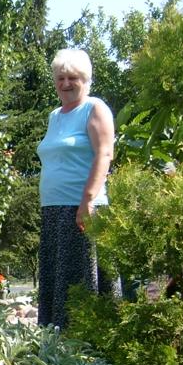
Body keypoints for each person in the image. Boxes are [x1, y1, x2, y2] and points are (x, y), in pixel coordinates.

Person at [36, 48, 120, 328]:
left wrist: (87, 201)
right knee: (59, 281)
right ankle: (58, 347)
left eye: (73, 77)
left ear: (86, 80)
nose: (65, 84)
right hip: (54, 212)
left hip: (83, 209)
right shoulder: (54, 116)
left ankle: (87, 347)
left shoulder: (94, 108)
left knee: (82, 283)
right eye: (60, 78)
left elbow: (104, 154)